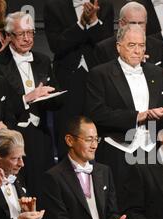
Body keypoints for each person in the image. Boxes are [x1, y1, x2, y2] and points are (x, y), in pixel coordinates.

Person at [86, 24, 163, 208]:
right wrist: (139, 117)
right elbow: (97, 114)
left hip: (150, 150)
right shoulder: (100, 74)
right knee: (117, 205)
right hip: (118, 150)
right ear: (118, 47)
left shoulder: (157, 73)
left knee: (150, 205)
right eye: (131, 45)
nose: (137, 51)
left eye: (141, 46)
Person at [0, 12, 61, 197]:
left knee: (42, 189)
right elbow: (0, 106)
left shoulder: (43, 60)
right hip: (14, 134)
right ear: (9, 36)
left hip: (40, 135)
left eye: (30, 33)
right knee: (18, 189)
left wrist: (51, 96)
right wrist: (27, 98)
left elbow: (56, 99)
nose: (27, 38)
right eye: (21, 34)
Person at [43, 0, 114, 157]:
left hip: (97, 80)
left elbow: (108, 45)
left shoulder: (105, 6)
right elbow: (57, 45)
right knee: (67, 132)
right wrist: (81, 24)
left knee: (97, 133)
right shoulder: (53, 6)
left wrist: (94, 20)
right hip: (67, 81)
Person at [95, 1, 163, 70]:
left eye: (141, 23)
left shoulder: (159, 46)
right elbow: (102, 80)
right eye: (133, 23)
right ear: (121, 24)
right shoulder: (104, 49)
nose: (137, 27)